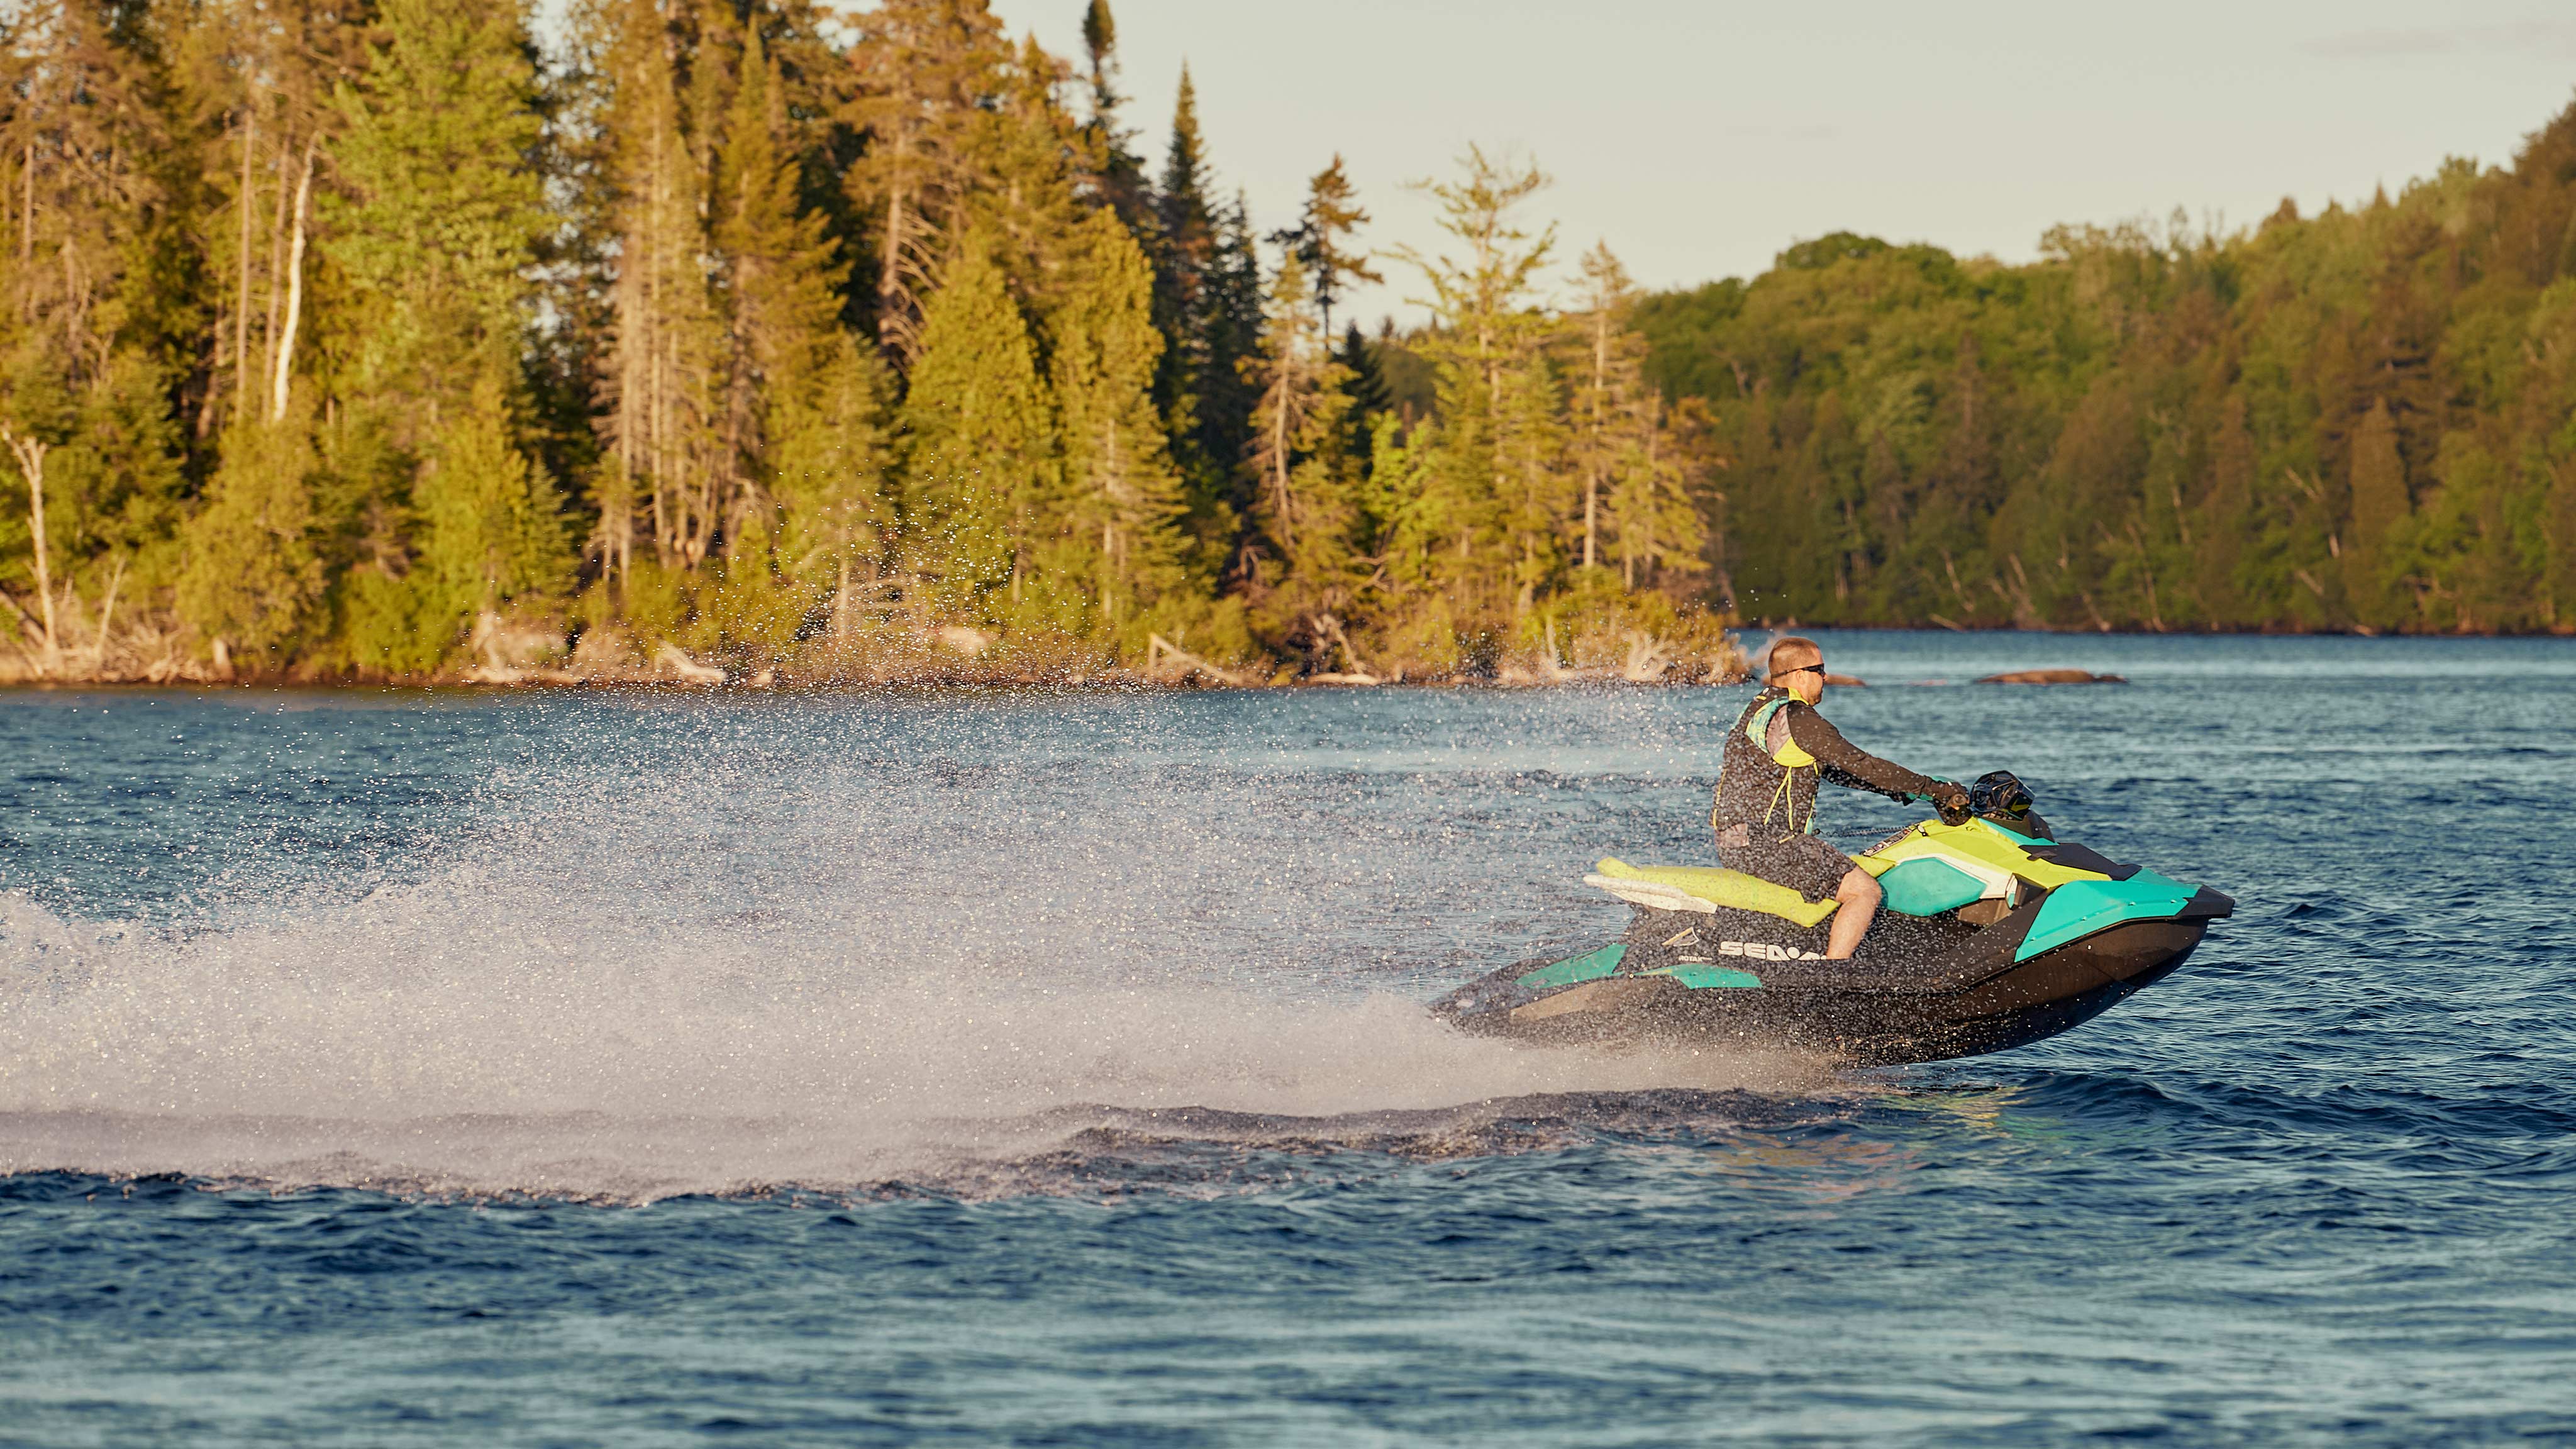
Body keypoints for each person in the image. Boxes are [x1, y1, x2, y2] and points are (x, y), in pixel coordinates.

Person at [1711, 637, 1969, 959]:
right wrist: (1937, 790)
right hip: (1770, 844)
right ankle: (1834, 974)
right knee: (1864, 891)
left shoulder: (1757, 710)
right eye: (1820, 670)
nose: (1827, 678)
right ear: (1800, 674)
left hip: (1739, 842)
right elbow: (1862, 763)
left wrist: (1905, 793)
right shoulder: (1797, 717)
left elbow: (1838, 772)